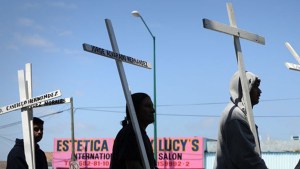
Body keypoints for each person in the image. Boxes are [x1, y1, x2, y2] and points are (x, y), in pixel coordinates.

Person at [214, 71, 268, 169]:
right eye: (255, 87)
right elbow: (248, 160)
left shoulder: (242, 115)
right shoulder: (235, 116)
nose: (260, 92)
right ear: (245, 89)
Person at [110, 92, 158, 169]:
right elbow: (132, 165)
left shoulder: (140, 134)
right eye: (147, 106)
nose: (153, 110)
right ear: (135, 110)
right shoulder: (131, 133)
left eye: (152, 106)